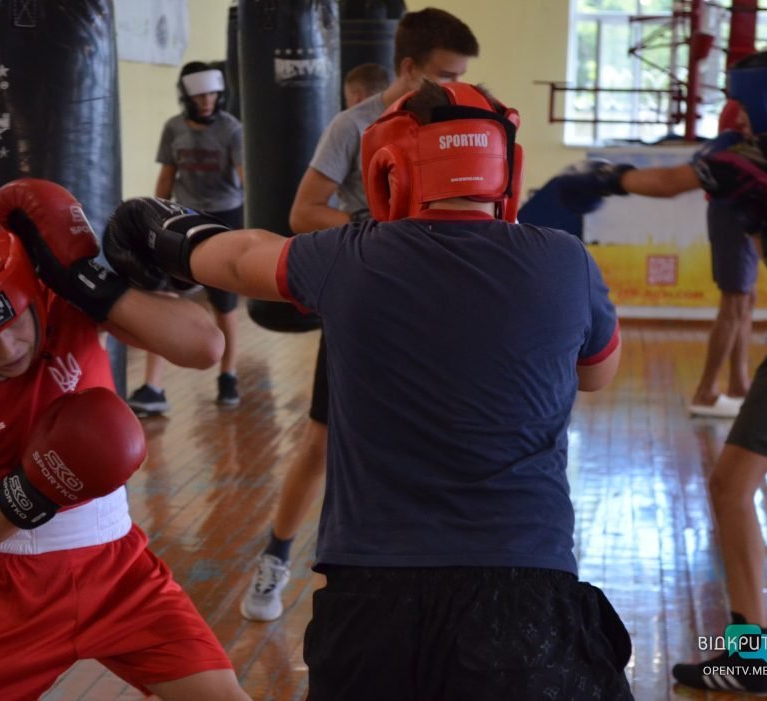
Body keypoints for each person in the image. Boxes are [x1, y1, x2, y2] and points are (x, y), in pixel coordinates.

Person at [105, 81, 631, 700]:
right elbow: (598, 373)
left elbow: (242, 256)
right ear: (506, 167)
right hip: (525, 591)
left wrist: (159, 230)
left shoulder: (350, 257)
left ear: (391, 166)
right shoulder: (565, 261)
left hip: (372, 595)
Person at [0, 179, 249, 701]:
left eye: (12, 324)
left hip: (119, 573)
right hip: (3, 591)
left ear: (31, 294)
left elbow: (205, 347)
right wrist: (38, 489)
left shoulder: (67, 306)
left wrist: (91, 284)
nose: (6, 348)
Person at [552, 48, 767, 695]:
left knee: (730, 486)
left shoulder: (756, 153)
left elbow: (665, 182)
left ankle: (749, 655)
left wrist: (603, 176)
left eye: (744, 103)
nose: (739, 116)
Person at [241, 6, 480, 623]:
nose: (456, 83)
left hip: (438, 308)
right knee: (321, 443)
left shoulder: (462, 116)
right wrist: (373, 230)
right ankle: (275, 557)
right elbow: (302, 213)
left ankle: (439, 578)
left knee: (437, 444)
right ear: (408, 68)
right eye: (445, 72)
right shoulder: (354, 125)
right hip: (368, 303)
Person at [127, 61, 245, 416]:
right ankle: (154, 386)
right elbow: (166, 178)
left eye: (211, 93)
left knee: (223, 303)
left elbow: (245, 175)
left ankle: (228, 375)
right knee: (163, 296)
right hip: (182, 218)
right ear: (187, 97)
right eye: (199, 95)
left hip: (224, 216)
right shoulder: (173, 128)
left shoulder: (232, 129)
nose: (206, 101)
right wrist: (151, 221)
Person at [689, 100, 760, 418]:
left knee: (747, 299)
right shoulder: (745, 106)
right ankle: (705, 390)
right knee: (734, 301)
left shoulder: (761, 101)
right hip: (732, 210)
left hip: (746, 209)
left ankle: (739, 383)